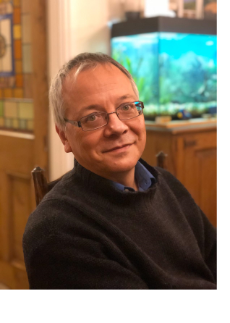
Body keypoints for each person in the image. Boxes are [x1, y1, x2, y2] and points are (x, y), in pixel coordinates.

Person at [23, 53, 216, 289]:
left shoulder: (167, 182)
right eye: (92, 117)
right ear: (64, 135)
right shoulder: (55, 233)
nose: (117, 127)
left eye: (126, 107)